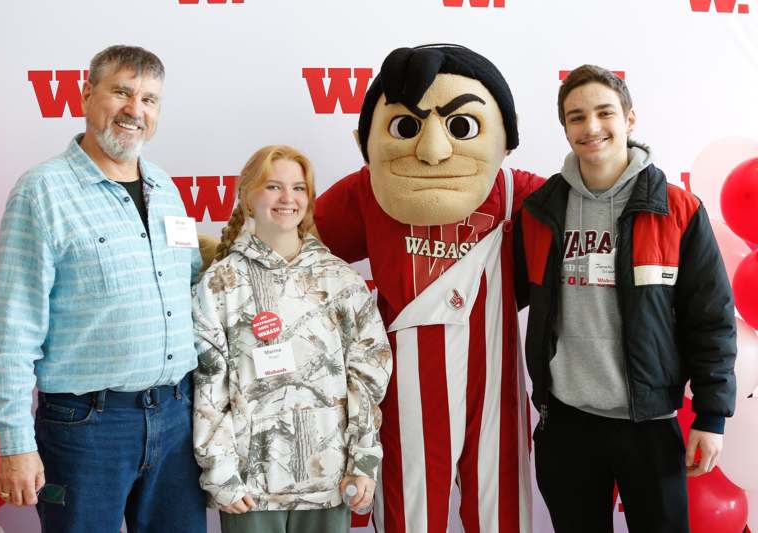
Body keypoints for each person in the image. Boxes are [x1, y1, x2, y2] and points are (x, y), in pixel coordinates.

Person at [313, 45, 542, 533]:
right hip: (404, 388)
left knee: (500, 509)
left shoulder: (511, 190)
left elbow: (591, 210)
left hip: (495, 382)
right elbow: (295, 246)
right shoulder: (367, 191)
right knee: (410, 512)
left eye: (459, 127)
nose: (435, 148)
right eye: (408, 126)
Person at [0, 45, 207, 532]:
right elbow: (13, 328)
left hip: (176, 418)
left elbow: (190, 285)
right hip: (87, 427)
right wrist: (16, 442)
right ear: (87, 95)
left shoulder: (166, 189)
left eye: (149, 99)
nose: (135, 110)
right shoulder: (41, 191)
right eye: (121, 92)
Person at [514, 64, 737, 533]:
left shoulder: (677, 209)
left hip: (649, 423)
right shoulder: (540, 211)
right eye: (576, 117)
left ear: (629, 119)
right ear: (564, 127)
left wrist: (712, 415)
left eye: (603, 112)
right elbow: (502, 296)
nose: (591, 128)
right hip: (567, 423)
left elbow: (711, 319)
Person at [192, 145, 392, 533]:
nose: (288, 199)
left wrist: (363, 461)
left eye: (298, 188)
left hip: (330, 481)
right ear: (247, 197)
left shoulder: (340, 281)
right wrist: (220, 471)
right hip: (250, 489)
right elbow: (208, 385)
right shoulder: (220, 283)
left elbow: (369, 378)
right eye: (273, 187)